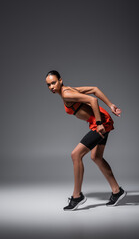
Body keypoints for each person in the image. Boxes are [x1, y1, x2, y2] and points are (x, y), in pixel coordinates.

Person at [45, 70, 126, 211]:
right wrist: (110, 105)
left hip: (100, 123)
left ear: (60, 80)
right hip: (102, 120)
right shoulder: (68, 90)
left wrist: (99, 123)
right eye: (48, 85)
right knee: (96, 157)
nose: (51, 87)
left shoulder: (66, 93)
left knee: (75, 155)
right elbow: (94, 89)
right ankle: (117, 191)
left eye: (53, 83)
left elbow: (93, 100)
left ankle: (77, 197)